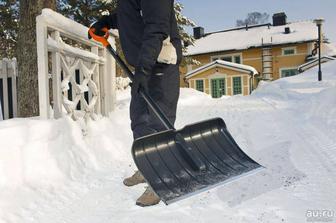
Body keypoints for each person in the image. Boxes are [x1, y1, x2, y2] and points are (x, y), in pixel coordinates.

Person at [89, 0, 182, 207]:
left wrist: (143, 69)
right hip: (144, 66)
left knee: (159, 123)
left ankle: (162, 179)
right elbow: (131, 15)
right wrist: (108, 21)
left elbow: (157, 28)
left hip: (160, 65)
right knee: (140, 121)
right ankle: (147, 166)